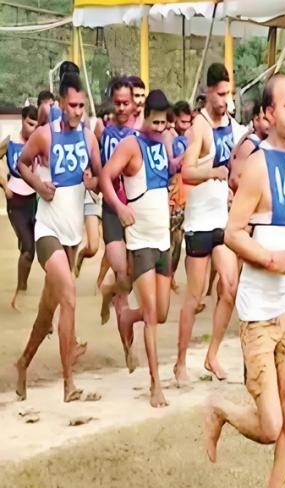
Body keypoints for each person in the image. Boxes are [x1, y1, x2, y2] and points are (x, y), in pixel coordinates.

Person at [204, 74, 285, 488]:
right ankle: (221, 410)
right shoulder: (256, 166)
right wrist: (271, 260)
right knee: (271, 426)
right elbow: (232, 234)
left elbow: (283, 230)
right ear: (268, 113)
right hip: (256, 318)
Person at [15, 73, 103, 402]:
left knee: (46, 313)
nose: (78, 111)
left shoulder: (89, 138)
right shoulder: (45, 135)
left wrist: (93, 182)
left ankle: (23, 363)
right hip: (47, 231)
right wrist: (39, 185)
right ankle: (69, 384)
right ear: (62, 102)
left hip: (72, 236)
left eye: (82, 106)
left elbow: (99, 177)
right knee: (69, 297)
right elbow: (21, 163)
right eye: (73, 105)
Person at [99, 90, 174, 407]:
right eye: (155, 122)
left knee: (162, 313)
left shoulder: (164, 140)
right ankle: (155, 384)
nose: (159, 128)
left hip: (163, 239)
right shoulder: (131, 144)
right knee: (153, 315)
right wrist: (119, 207)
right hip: (141, 240)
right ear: (145, 116)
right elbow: (106, 176)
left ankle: (127, 317)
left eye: (163, 123)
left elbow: (169, 173)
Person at [175, 63, 239, 384]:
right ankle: (180, 362)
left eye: (229, 94)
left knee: (229, 287)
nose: (225, 100)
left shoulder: (233, 125)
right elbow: (186, 172)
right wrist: (213, 173)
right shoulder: (199, 126)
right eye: (221, 94)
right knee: (195, 297)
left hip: (222, 220)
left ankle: (212, 355)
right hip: (199, 221)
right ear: (208, 92)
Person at [96, 77, 138, 357]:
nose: (122, 108)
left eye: (126, 103)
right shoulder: (104, 133)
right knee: (122, 273)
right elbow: (98, 171)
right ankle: (127, 349)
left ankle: (107, 292)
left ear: (134, 103)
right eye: (118, 103)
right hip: (112, 211)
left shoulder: (142, 133)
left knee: (128, 280)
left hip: (136, 210)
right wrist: (93, 180)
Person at [2, 105, 39, 310]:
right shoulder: (10, 143)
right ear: (22, 120)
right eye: (30, 124)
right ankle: (20, 291)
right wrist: (4, 185)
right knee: (28, 250)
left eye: (36, 125)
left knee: (30, 245)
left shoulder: (38, 142)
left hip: (33, 200)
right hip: (15, 201)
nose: (33, 129)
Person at [167, 100, 192, 288]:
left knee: (178, 238)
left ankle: (170, 276)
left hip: (185, 193)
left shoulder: (190, 136)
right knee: (170, 239)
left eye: (188, 122)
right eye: (182, 122)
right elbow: (171, 165)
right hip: (171, 192)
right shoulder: (168, 136)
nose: (185, 126)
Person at [229, 99, 270, 191]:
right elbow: (234, 179)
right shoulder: (249, 145)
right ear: (256, 120)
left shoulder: (265, 143)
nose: (270, 123)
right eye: (265, 119)